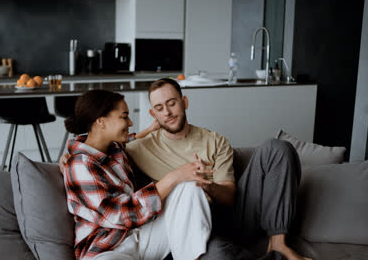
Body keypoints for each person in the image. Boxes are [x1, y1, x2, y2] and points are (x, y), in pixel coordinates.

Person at [124, 78, 312, 260]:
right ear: (153, 114)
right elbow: (104, 142)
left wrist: (206, 186)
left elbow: (229, 197)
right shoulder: (140, 147)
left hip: (230, 215)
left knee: (277, 148)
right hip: (196, 229)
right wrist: (147, 131)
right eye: (159, 108)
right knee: (218, 256)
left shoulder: (214, 141)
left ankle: (278, 243)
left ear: (184, 102)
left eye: (172, 103)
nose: (167, 112)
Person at [62, 89, 215, 260]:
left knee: (189, 185)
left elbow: (130, 139)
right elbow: (119, 214)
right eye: (124, 116)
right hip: (107, 249)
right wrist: (173, 177)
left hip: (142, 235)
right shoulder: (80, 165)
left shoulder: (114, 148)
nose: (130, 122)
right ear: (101, 122)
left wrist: (151, 129)